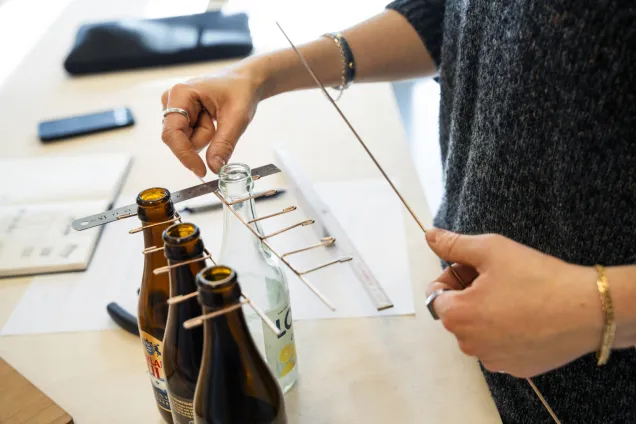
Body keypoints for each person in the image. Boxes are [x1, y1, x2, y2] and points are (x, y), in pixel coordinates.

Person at [160, 1, 636, 423]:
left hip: (599, 378)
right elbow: (456, 17)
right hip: (472, 323)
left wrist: (597, 308)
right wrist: (262, 73)